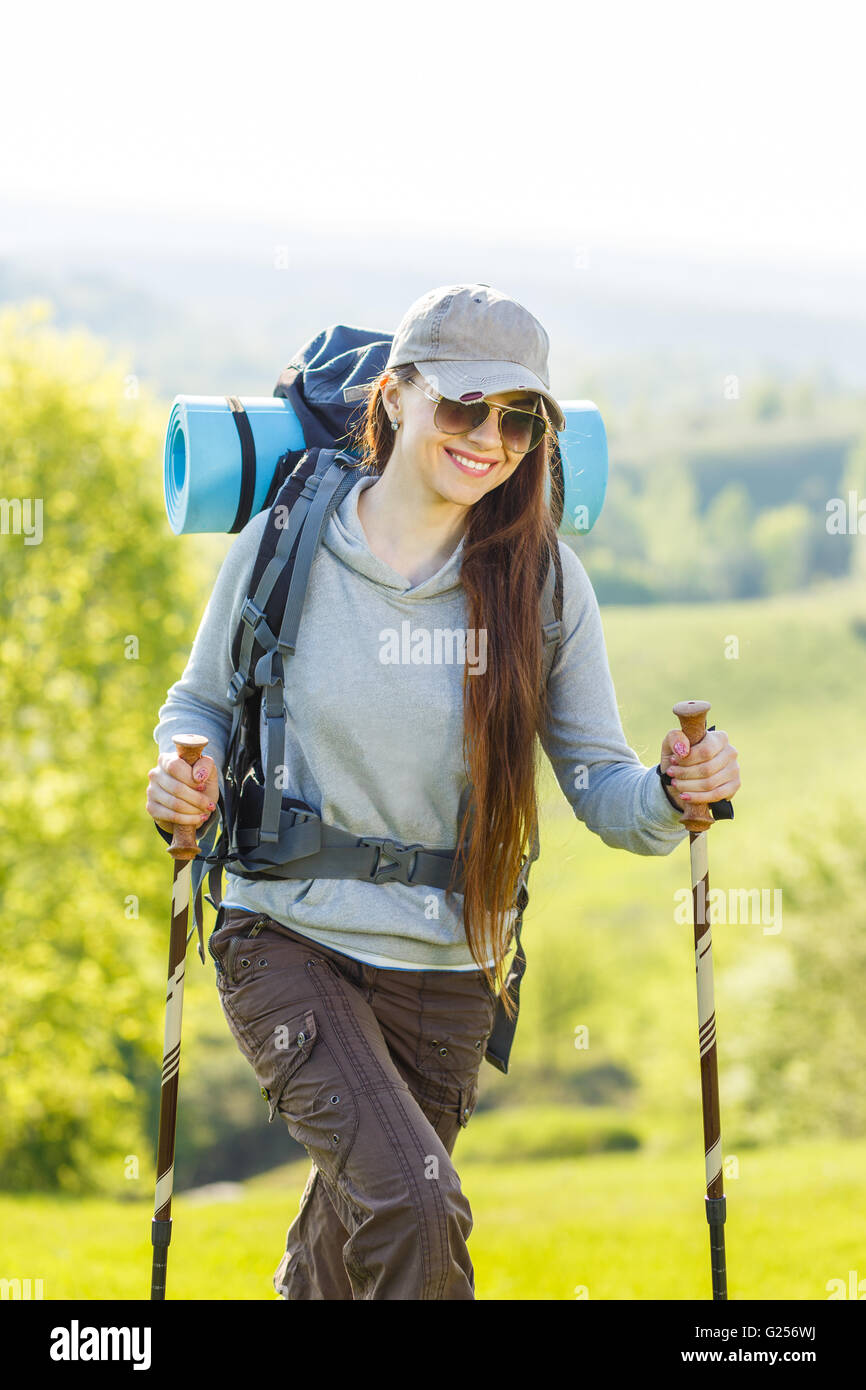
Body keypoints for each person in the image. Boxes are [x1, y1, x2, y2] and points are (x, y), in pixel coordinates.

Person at [146, 283, 741, 1300]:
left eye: (518, 419)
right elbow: (196, 699)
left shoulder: (541, 583)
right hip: (284, 938)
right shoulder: (287, 542)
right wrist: (183, 769)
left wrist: (673, 789)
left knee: (344, 1258)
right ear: (396, 396)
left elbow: (600, 786)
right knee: (418, 1207)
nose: (489, 440)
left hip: (451, 972)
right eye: (462, 408)